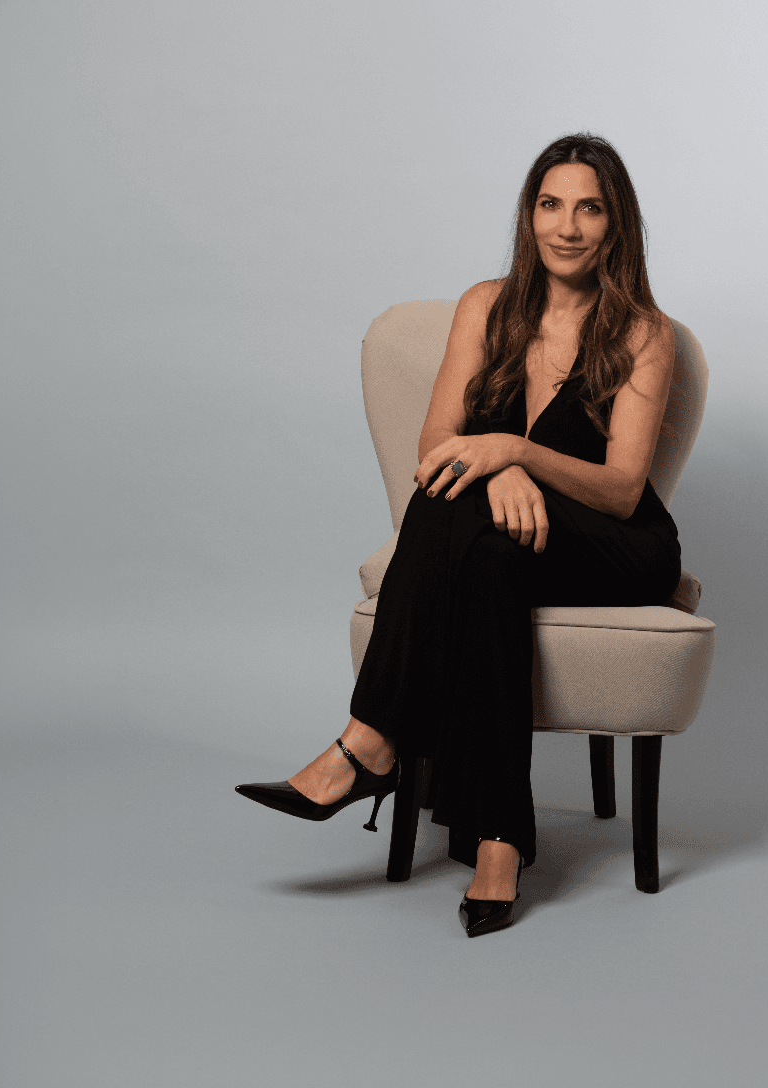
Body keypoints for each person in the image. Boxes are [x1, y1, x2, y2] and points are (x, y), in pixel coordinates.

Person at [236, 132, 682, 936]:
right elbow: (436, 443)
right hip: (507, 542)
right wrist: (491, 469)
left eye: (590, 208)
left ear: (617, 226)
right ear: (529, 214)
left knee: (455, 505)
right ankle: (499, 838)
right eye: (552, 205)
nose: (568, 227)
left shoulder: (645, 334)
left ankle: (368, 745)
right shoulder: (486, 305)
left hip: (615, 548)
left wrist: (512, 450)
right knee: (473, 538)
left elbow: (621, 492)